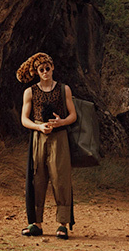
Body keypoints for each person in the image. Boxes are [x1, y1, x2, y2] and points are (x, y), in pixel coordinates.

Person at [17, 52, 77, 240]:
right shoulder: (30, 92)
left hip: (60, 138)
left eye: (47, 68)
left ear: (53, 68)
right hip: (38, 138)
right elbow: (24, 119)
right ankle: (36, 223)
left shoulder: (63, 90)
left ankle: (63, 224)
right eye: (41, 69)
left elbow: (73, 115)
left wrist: (62, 122)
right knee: (37, 178)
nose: (45, 72)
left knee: (61, 179)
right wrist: (39, 126)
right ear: (36, 72)